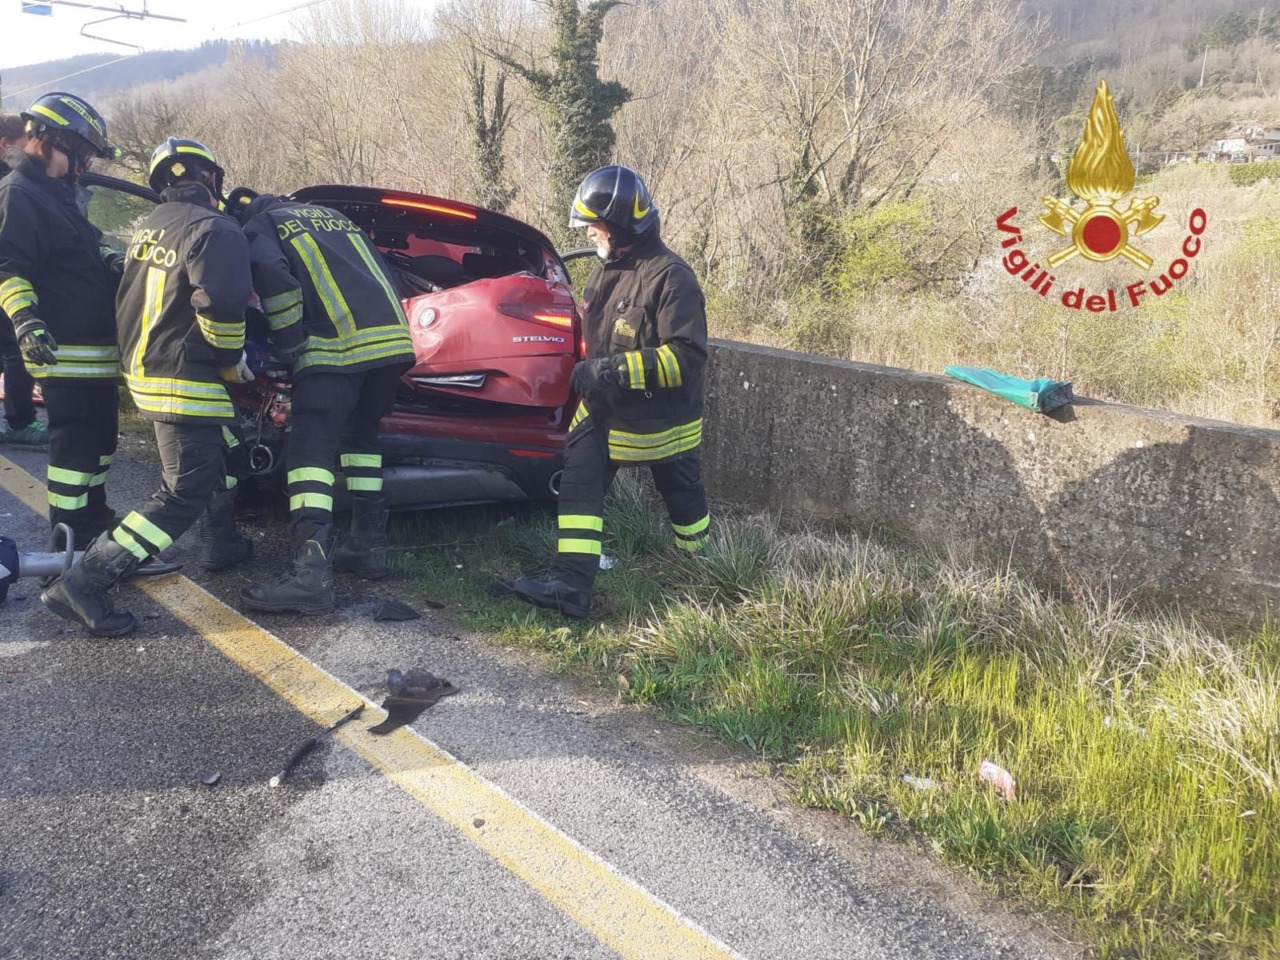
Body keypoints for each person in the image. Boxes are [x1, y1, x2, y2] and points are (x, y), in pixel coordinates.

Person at [42, 137, 255, 636]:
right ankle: (86, 582)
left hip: (147, 372)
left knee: (224, 448)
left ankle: (223, 541)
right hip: (185, 379)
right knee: (183, 491)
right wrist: (232, 363)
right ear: (211, 179)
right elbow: (221, 306)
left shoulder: (149, 228)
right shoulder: (215, 228)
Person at [500, 164, 711, 618]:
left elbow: (686, 359)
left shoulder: (672, 278)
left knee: (681, 490)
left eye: (594, 227)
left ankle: (701, 566)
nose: (590, 235)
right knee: (581, 477)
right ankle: (571, 584)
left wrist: (611, 371)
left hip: (658, 422)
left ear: (619, 225)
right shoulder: (606, 271)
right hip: (607, 413)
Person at [233, 190, 415, 616]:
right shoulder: (335, 217)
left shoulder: (263, 225)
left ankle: (309, 576)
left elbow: (274, 279)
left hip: (334, 351)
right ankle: (366, 548)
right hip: (390, 349)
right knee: (362, 444)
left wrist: (288, 342)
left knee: (309, 456)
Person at [0, 93, 122, 546]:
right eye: (82, 153)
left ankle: (95, 521)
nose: (85, 164)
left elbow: (90, 243)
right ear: (48, 140)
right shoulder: (19, 193)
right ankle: (67, 541)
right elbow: (8, 268)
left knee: (101, 444)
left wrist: (116, 261)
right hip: (64, 350)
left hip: (94, 352)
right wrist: (27, 321)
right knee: (74, 450)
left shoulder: (58, 193)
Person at [0, 113, 46, 448]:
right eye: (22, 146)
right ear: (5, 145)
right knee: (16, 349)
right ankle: (19, 421)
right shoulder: (13, 182)